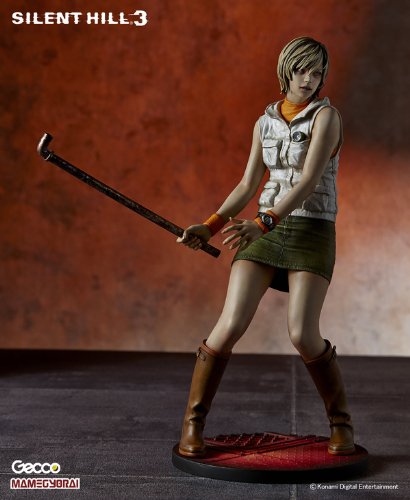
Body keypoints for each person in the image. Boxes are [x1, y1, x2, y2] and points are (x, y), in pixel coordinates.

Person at [176, 36, 355, 457]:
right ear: (286, 71)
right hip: (263, 230)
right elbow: (247, 184)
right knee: (229, 325)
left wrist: (263, 222)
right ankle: (193, 423)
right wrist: (210, 225)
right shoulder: (264, 123)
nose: (309, 79)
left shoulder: (327, 118)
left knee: (303, 334)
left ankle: (340, 423)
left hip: (310, 229)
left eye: (316, 72)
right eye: (301, 70)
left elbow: (308, 181)